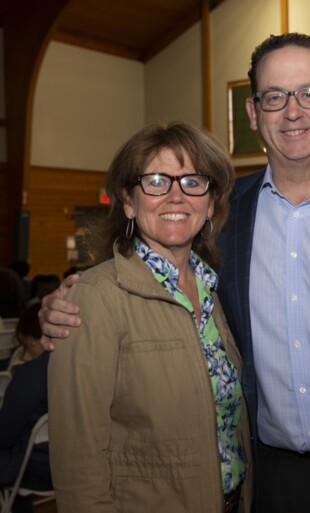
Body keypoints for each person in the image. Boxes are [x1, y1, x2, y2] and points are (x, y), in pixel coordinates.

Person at [39, 33, 310, 513]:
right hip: (270, 485)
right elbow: (148, 278)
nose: (293, 111)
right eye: (274, 96)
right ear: (253, 113)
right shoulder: (224, 213)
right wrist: (61, 304)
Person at [45, 122, 252, 513]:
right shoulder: (96, 297)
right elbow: (78, 467)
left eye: (192, 181)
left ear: (209, 204)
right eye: (156, 181)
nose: (175, 196)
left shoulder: (218, 291)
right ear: (128, 200)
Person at [0, 303, 51, 513]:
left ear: (31, 339)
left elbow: (4, 435)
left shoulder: (31, 375)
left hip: (38, 468)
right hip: (83, 463)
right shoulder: (85, 366)